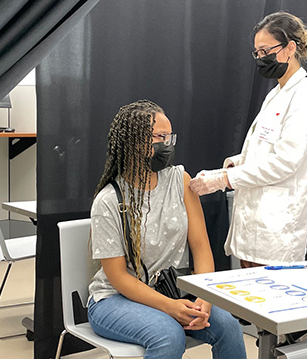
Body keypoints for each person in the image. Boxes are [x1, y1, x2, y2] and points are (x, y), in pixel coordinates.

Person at [86, 100, 247, 359]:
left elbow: (201, 247)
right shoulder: (108, 200)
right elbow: (118, 277)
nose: (168, 144)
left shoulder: (181, 181)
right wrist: (171, 307)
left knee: (228, 326)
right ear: (134, 142)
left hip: (172, 290)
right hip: (115, 299)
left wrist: (204, 299)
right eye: (160, 137)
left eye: (169, 136)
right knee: (168, 335)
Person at [190, 12, 307, 268]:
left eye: (265, 51)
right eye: (257, 53)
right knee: (245, 299)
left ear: (290, 48)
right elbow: (267, 148)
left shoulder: (305, 97)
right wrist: (231, 166)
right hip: (254, 225)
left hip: (277, 231)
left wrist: (224, 180)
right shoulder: (277, 94)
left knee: (268, 303)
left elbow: (285, 162)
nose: (261, 59)